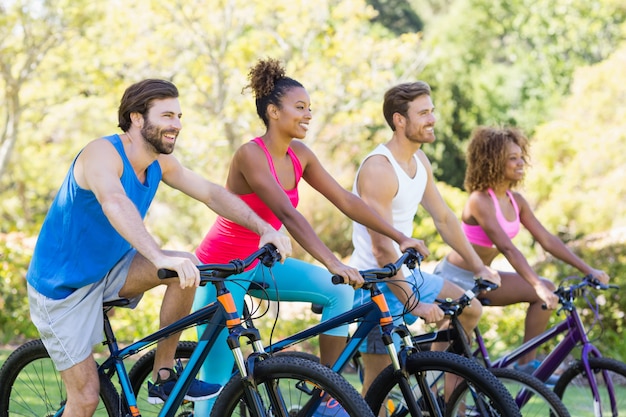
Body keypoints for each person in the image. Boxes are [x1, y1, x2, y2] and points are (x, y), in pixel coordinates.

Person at [25, 79, 292, 417]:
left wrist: (264, 228)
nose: (177, 124)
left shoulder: (159, 162)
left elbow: (211, 193)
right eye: (167, 115)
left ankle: (163, 375)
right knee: (86, 399)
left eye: (179, 116)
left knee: (187, 267)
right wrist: (157, 255)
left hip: (109, 270)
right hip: (62, 288)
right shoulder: (101, 154)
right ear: (137, 118)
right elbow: (114, 202)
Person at [191, 58, 430, 416]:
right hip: (223, 269)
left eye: (309, 108)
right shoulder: (250, 155)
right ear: (273, 111)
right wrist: (332, 261)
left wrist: (399, 236)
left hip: (262, 263)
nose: (308, 114)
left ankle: (327, 384)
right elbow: (288, 215)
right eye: (300, 107)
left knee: (339, 289)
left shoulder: (300, 155)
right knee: (216, 382)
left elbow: (346, 200)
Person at [349, 81, 500, 401]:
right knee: (375, 391)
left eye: (432, 111)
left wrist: (478, 266)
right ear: (399, 120)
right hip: (377, 284)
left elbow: (444, 218)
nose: (432, 119)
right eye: (423, 113)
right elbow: (381, 249)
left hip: (409, 274)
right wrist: (413, 304)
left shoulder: (420, 163)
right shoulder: (379, 168)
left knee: (469, 309)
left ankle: (444, 396)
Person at [434, 125, 609, 375]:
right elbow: (507, 247)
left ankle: (525, 364)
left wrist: (588, 269)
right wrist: (535, 283)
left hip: (484, 279)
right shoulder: (479, 200)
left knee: (546, 289)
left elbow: (547, 240)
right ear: (493, 162)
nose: (521, 163)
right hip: (454, 278)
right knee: (455, 361)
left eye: (521, 157)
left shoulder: (516, 201)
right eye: (512, 158)